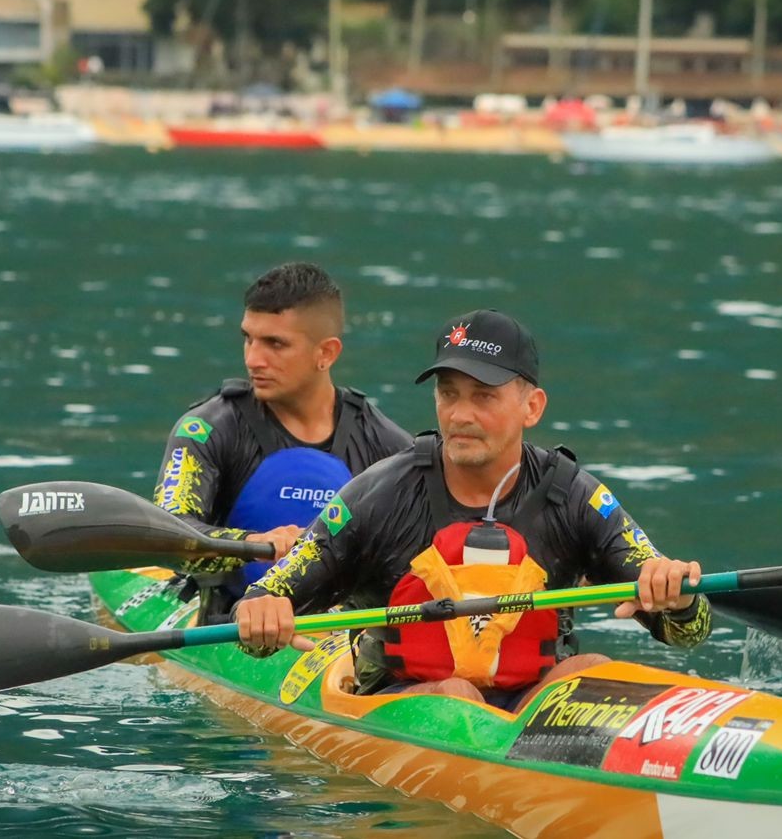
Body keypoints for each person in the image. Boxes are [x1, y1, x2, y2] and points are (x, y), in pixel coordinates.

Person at [234, 308, 710, 712]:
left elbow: (688, 631)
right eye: (449, 394)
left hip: (533, 709)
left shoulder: (576, 498)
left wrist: (680, 598)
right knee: (457, 694)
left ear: (532, 407)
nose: (460, 415)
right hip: (400, 705)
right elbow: (261, 600)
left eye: (484, 396)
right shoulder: (378, 496)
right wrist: (260, 615)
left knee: (592, 672)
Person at [152, 262, 413, 617]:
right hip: (228, 622)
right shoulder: (206, 430)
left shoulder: (388, 446)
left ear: (326, 353)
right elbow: (170, 537)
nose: (253, 359)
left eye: (275, 344)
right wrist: (252, 543)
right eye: (248, 338)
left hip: (341, 632)